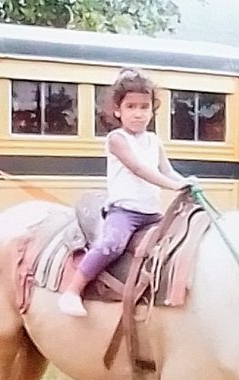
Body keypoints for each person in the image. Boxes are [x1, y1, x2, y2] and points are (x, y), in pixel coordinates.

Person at [58, 67, 195, 317]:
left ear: (152, 111)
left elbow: (168, 170)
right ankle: (73, 290)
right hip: (125, 212)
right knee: (111, 244)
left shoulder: (154, 141)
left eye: (144, 107)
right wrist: (172, 186)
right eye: (131, 107)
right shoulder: (117, 139)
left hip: (152, 213)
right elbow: (140, 169)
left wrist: (188, 182)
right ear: (117, 111)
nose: (138, 114)